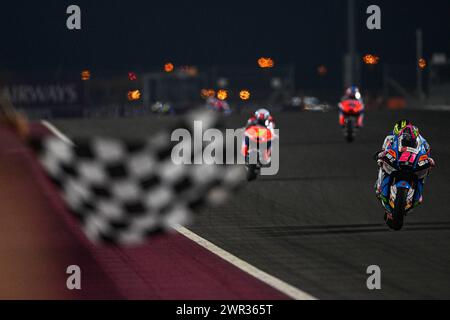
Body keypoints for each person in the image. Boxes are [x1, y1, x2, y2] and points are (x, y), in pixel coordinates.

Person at [374, 120, 435, 219]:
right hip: (397, 159)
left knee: (425, 173)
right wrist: (381, 155)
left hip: (412, 161)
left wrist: (429, 160)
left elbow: (427, 152)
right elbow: (384, 149)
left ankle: (416, 196)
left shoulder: (422, 141)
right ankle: (380, 185)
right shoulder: (391, 138)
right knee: (381, 164)